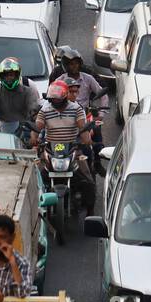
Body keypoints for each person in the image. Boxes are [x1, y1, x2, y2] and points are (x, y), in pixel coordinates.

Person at [33, 80, 96, 214]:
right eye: (53, 98)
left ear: (65, 96)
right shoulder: (45, 110)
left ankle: (90, 212)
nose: (55, 101)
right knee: (34, 178)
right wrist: (33, 139)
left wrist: (86, 140)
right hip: (50, 150)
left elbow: (82, 127)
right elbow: (37, 127)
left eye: (58, 98)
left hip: (73, 149)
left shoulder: (76, 109)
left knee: (88, 181)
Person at [50, 46, 107, 173]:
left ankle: (97, 161)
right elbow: (50, 98)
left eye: (76, 63)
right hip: (62, 113)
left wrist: (101, 114)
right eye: (70, 64)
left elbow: (102, 94)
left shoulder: (88, 77)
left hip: (84, 115)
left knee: (95, 132)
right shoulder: (59, 80)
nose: (74, 66)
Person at [0, 57, 41, 140]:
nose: (9, 78)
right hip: (2, 129)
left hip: (24, 129)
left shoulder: (29, 90)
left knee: (32, 145)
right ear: (1, 76)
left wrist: (37, 122)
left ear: (17, 75)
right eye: (6, 75)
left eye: (11, 75)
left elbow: (33, 111)